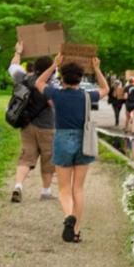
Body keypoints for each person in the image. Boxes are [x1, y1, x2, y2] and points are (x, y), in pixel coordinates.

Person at [34, 54, 108, 243]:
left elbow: (39, 82)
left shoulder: (56, 94)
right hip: (84, 141)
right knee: (79, 188)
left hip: (62, 139)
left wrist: (54, 65)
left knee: (64, 188)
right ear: (81, 78)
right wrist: (97, 68)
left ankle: (68, 216)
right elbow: (105, 88)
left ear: (62, 78)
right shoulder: (87, 96)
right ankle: (76, 231)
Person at [7, 43, 56, 203]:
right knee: (48, 158)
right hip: (47, 127)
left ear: (35, 67)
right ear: (51, 69)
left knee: (26, 157)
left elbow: (13, 66)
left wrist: (18, 52)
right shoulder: (49, 85)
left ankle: (18, 186)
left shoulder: (24, 78)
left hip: (27, 124)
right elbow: (53, 105)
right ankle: (46, 191)